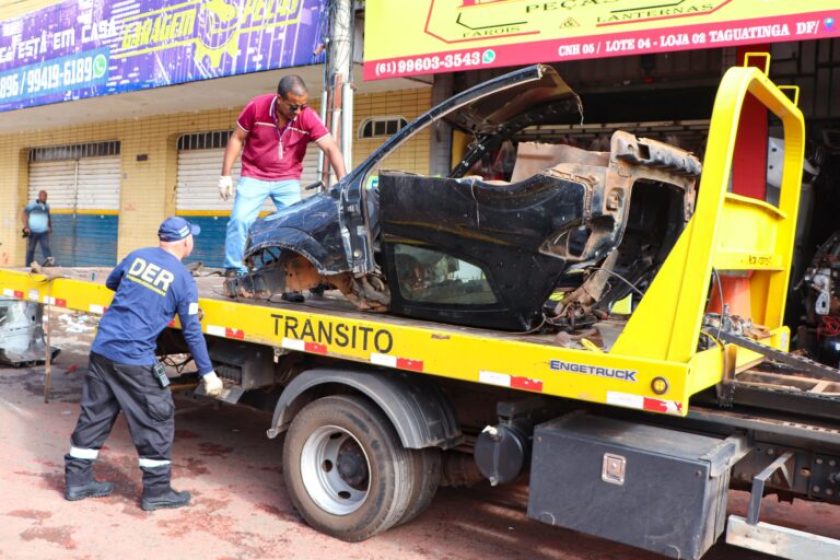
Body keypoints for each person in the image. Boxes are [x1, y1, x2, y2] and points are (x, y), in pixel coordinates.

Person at [64, 216, 224, 511]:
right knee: (157, 417)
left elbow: (113, 282)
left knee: (95, 415)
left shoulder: (137, 256)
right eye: (193, 238)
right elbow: (191, 330)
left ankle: (77, 481)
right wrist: (208, 373)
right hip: (135, 359)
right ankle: (157, 491)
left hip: (103, 351)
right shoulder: (183, 278)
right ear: (185, 241)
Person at [219, 74, 347, 300]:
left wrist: (344, 182)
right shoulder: (257, 108)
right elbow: (237, 138)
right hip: (254, 176)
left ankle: (291, 282)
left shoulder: (307, 117)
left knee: (293, 230)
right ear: (279, 99)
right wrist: (225, 175)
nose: (298, 112)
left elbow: (330, 148)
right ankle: (234, 269)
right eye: (293, 106)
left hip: (287, 179)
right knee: (240, 220)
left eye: (302, 106)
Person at [22, 190, 54, 267]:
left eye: (45, 196)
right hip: (32, 231)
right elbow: (24, 214)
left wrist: (50, 227)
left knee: (46, 248)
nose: (44, 198)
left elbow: (48, 216)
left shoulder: (47, 206)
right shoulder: (32, 204)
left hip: (43, 232)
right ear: (39, 196)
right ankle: (28, 266)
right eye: (43, 196)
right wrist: (26, 227)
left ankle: (50, 265)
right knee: (31, 249)